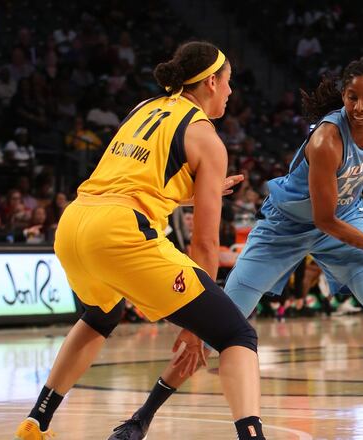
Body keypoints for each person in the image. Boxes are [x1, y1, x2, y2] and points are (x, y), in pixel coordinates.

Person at [110, 57, 363, 440]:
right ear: (343, 96)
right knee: (216, 325)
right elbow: (324, 220)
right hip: (285, 227)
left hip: (347, 219)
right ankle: (140, 419)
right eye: (351, 97)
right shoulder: (326, 139)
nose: (359, 107)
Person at [14, 41, 266, 440]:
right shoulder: (208, 138)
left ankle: (36, 420)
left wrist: (199, 190)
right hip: (120, 231)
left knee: (101, 314)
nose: (232, 92)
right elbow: (202, 244)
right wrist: (196, 324)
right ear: (213, 81)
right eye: (229, 82)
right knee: (236, 334)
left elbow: (131, 178)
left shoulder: (144, 107)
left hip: (75, 221)